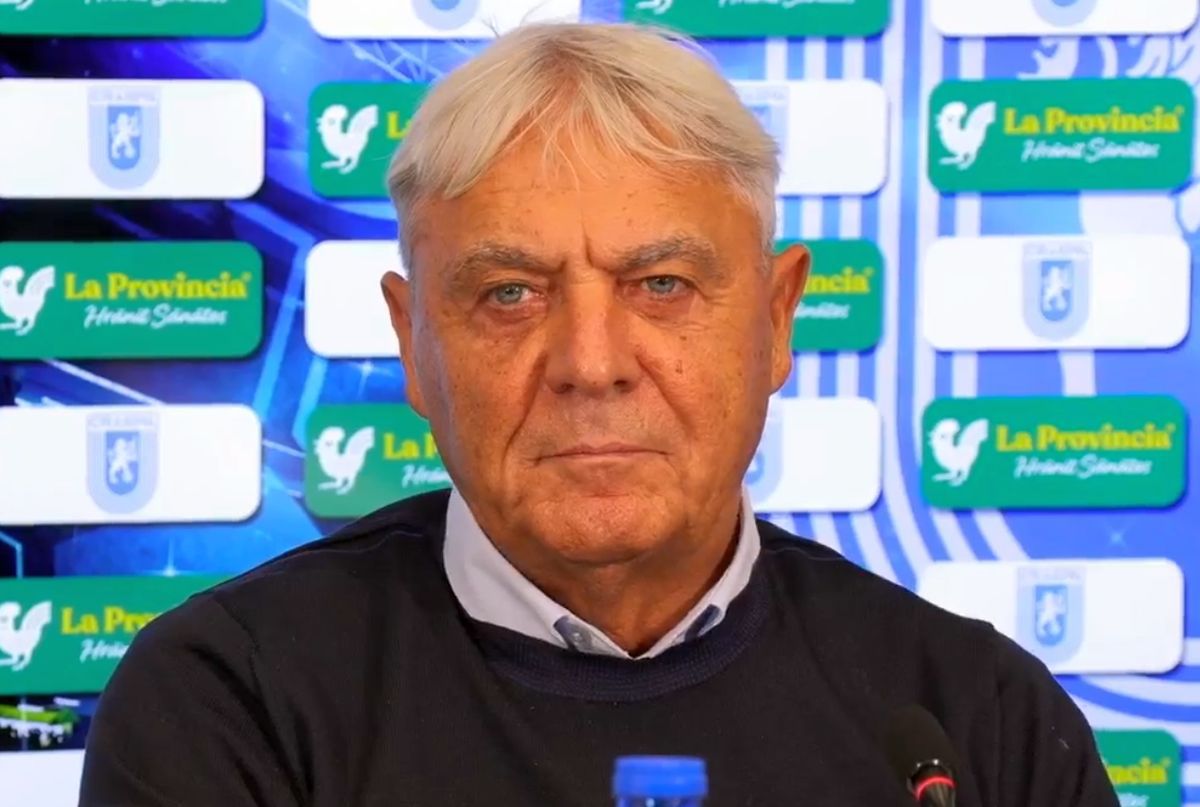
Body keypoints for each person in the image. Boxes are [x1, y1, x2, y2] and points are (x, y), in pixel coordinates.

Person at [80, 22, 1118, 807]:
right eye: (509, 294)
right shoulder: (231, 704)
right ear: (413, 342)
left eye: (662, 285)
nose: (591, 364)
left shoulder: (973, 720)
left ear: (775, 320)